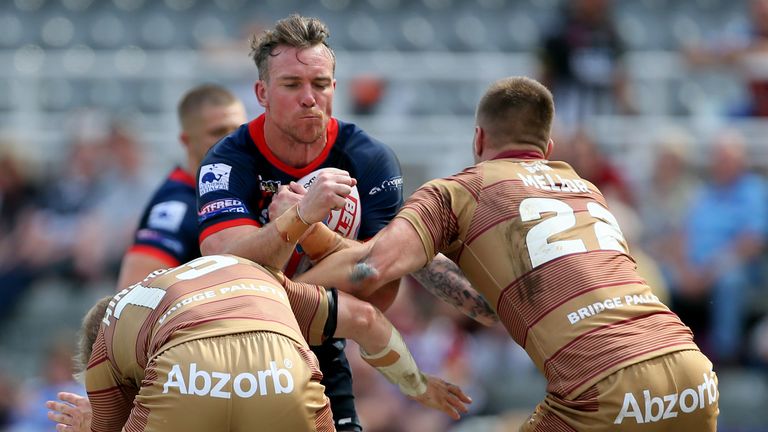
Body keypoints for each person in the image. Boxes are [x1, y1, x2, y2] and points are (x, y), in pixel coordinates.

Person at [297, 76, 719, 430]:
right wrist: (421, 257)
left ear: (478, 138)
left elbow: (370, 268)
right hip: (692, 373)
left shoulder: (461, 189)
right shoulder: (586, 189)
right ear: (548, 148)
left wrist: (269, 291)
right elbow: (494, 308)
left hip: (603, 385)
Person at [194, 14, 495, 431]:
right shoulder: (228, 160)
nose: (308, 97)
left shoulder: (368, 159)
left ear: (334, 88)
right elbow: (224, 266)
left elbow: (378, 281)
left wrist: (303, 227)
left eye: (319, 84)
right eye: (291, 84)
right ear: (261, 92)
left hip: (320, 343)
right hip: (233, 350)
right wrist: (302, 218)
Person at [66, 254, 471, 432]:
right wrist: (416, 384)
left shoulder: (110, 333)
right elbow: (365, 319)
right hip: (281, 370)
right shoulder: (250, 275)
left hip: (186, 367)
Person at [45, 83, 248, 431]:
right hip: (207, 373)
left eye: (236, 130)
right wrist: (114, 404)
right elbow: (131, 297)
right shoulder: (177, 205)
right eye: (217, 132)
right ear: (186, 141)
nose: (229, 140)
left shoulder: (236, 187)